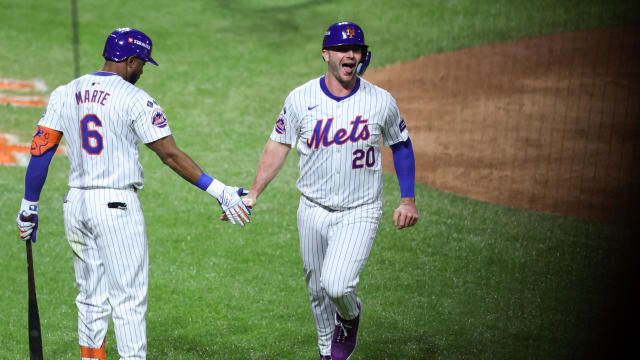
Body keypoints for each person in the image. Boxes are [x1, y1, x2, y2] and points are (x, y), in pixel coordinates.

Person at [15, 27, 250, 360]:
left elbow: (40, 151)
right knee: (128, 300)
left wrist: (29, 207)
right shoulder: (135, 98)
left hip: (76, 206)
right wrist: (220, 190)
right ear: (130, 60)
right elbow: (169, 154)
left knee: (90, 297)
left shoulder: (65, 92)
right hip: (116, 208)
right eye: (142, 64)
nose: (142, 71)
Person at [240, 21, 418, 360]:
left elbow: (401, 144)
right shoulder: (300, 99)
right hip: (311, 209)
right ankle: (328, 352)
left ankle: (351, 315)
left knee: (336, 285)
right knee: (317, 290)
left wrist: (407, 199)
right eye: (342, 49)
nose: (350, 55)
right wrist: (253, 193)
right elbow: (278, 145)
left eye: (356, 50)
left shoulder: (380, 101)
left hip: (360, 209)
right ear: (326, 55)